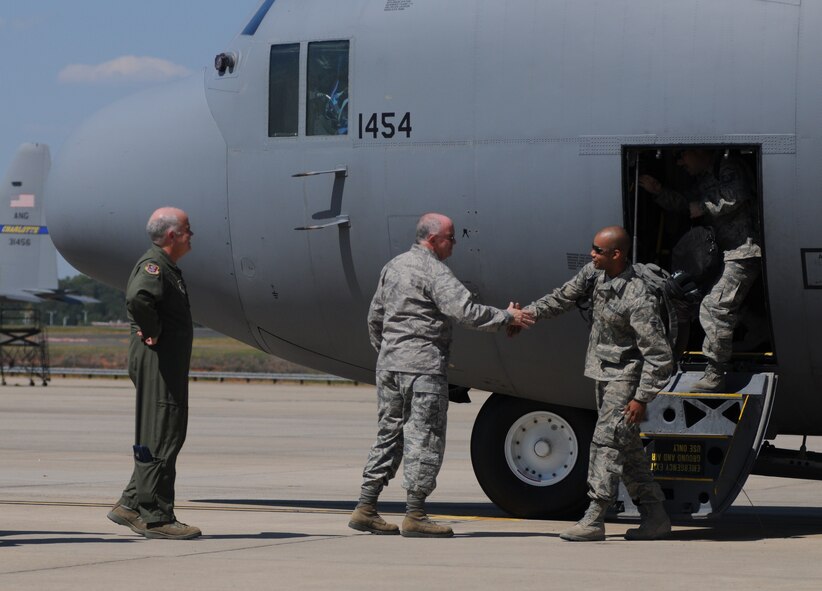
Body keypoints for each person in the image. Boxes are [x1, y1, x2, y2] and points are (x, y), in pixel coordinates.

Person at [349, 212, 535, 538]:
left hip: (390, 366)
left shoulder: (394, 266)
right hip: (423, 370)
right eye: (451, 238)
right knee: (425, 437)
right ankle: (415, 514)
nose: (455, 244)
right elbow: (466, 312)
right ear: (433, 240)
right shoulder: (434, 271)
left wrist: (391, 353)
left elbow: (374, 318)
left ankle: (366, 506)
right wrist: (508, 316)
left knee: (389, 435)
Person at [523, 226, 673, 542]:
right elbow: (563, 296)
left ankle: (594, 516)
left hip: (626, 378)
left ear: (616, 254)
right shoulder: (595, 273)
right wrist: (527, 315)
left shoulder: (637, 297)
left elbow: (659, 356)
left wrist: (641, 397)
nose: (591, 254)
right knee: (627, 446)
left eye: (597, 250)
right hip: (603, 372)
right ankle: (655, 515)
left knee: (605, 442)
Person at [106, 207, 201, 540]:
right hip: (158, 362)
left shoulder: (165, 266)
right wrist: (152, 329)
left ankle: (131, 503)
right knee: (163, 434)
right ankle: (157, 517)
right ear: (172, 236)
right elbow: (138, 297)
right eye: (188, 230)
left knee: (163, 432)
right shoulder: (154, 267)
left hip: (164, 363)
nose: (193, 235)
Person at [639, 149, 761, 391]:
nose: (680, 162)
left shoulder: (727, 167)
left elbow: (736, 195)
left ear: (700, 152)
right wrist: (659, 192)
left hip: (742, 251)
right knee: (702, 298)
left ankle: (715, 375)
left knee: (715, 307)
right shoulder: (705, 177)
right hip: (721, 254)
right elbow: (686, 204)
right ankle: (758, 329)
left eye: (682, 155)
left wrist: (704, 207)